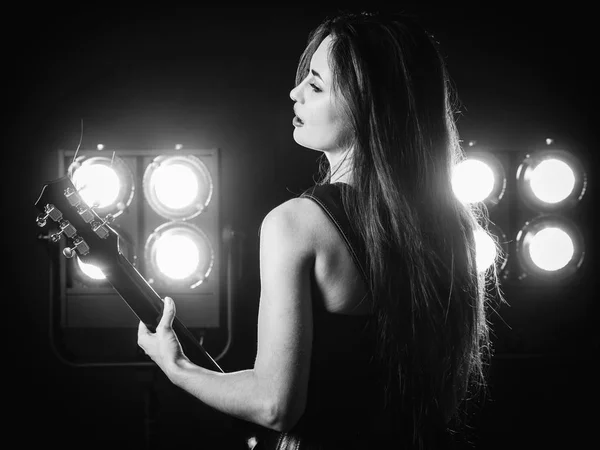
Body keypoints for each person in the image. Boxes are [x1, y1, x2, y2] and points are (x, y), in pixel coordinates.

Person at [138, 9, 504, 450]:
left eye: (315, 85)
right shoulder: (454, 229)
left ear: (370, 106)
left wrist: (176, 365)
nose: (295, 93)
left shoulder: (296, 224)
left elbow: (275, 405)